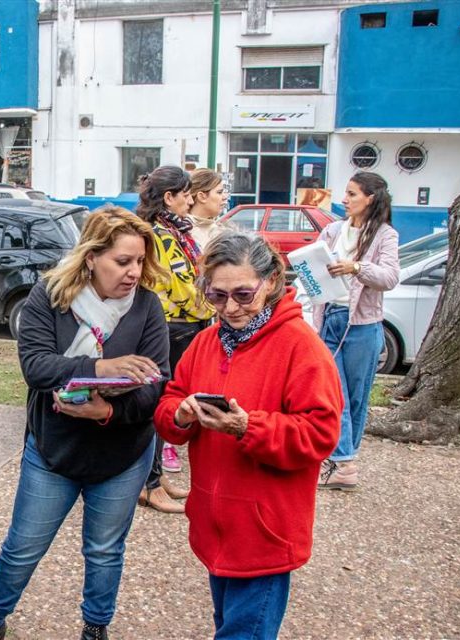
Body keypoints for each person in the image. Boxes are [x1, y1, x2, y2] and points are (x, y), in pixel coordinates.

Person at [0, 206, 170, 640]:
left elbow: (157, 385)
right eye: (123, 261)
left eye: (140, 260)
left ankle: (95, 628)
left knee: (104, 551)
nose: (134, 272)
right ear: (91, 257)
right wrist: (102, 368)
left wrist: (110, 412)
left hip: (122, 454)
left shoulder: (147, 307)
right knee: (23, 547)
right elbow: (36, 367)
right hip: (53, 450)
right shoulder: (50, 296)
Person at [154, 231, 343, 639]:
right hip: (215, 527)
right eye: (217, 296)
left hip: (264, 535)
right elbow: (169, 404)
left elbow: (321, 432)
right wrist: (182, 416)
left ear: (271, 281)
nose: (230, 308)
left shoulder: (301, 347)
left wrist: (247, 427)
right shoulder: (206, 342)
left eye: (243, 294)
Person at [134, 165, 216, 513]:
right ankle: (148, 483)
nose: (190, 200)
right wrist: (212, 305)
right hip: (171, 327)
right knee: (159, 405)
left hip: (182, 326)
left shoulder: (174, 231)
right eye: (185, 194)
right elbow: (183, 286)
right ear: (169, 197)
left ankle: (156, 477)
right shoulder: (160, 235)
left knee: (167, 402)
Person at [315, 171, 400, 491]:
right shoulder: (333, 230)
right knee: (334, 394)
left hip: (363, 325)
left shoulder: (384, 235)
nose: (345, 200)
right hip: (330, 318)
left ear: (370, 198)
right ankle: (343, 462)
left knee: (356, 396)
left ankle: (345, 460)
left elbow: (390, 277)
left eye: (352, 194)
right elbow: (312, 265)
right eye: (346, 194)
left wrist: (356, 267)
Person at [186, 168, 229, 250]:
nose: (225, 197)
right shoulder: (183, 233)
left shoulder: (220, 231)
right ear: (202, 196)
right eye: (219, 192)